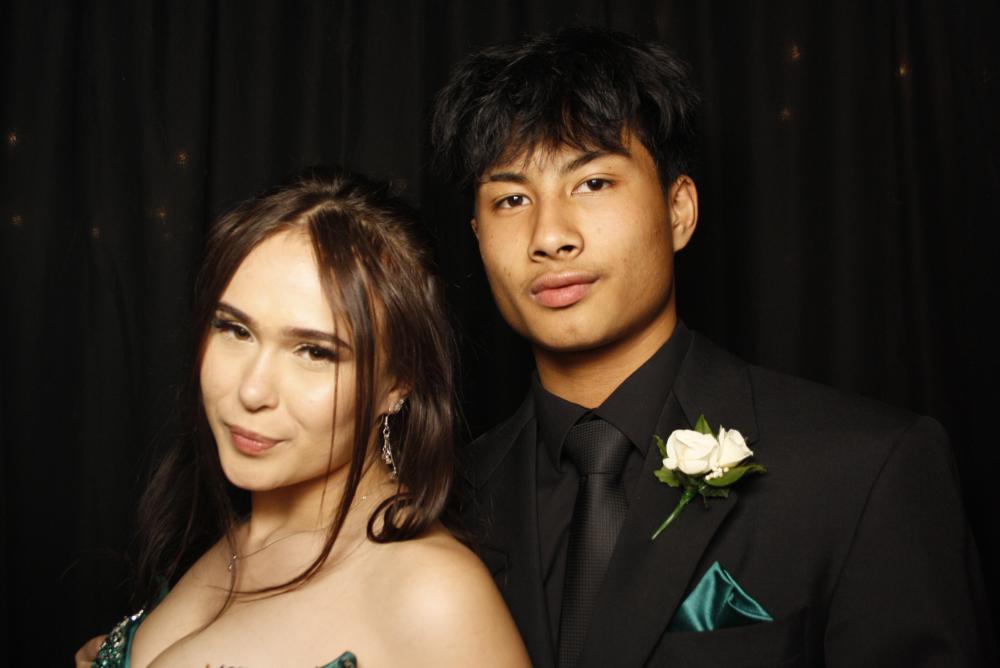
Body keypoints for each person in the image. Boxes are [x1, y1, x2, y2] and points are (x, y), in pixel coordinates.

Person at [430, 26, 995, 667]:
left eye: (593, 183)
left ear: (679, 211)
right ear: (477, 235)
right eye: (511, 199)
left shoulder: (864, 470)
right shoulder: (446, 499)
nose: (550, 236)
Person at [76, 167, 530, 667]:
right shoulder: (233, 535)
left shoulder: (433, 597)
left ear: (399, 381)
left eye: (314, 352)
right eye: (235, 330)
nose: (251, 390)